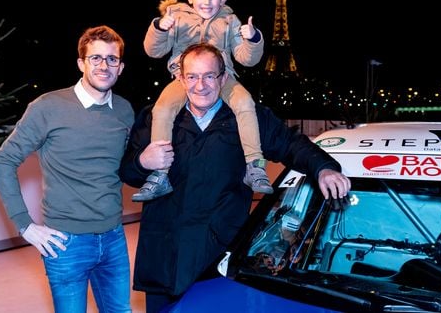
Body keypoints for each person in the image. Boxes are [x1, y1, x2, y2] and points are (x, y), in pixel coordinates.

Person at [119, 43, 351, 312]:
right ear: (180, 78)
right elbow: (128, 173)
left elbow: (290, 144)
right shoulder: (154, 118)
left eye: (209, 76)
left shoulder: (248, 119)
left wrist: (323, 167)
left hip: (217, 256)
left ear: (224, 77)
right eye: (192, 76)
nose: (200, 85)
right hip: (165, 257)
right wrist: (142, 162)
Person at [0, 25, 134, 313]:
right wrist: (25, 225)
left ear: (120, 67)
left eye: (111, 59)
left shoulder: (124, 110)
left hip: (114, 237)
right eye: (95, 58)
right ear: (81, 63)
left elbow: (120, 168)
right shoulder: (48, 107)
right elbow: (3, 161)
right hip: (66, 243)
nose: (104, 65)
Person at [131, 0, 269, 203]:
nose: (207, 1)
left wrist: (253, 38)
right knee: (162, 109)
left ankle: (254, 167)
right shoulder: (176, 18)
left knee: (245, 102)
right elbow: (153, 51)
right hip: (184, 78)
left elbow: (246, 58)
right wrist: (159, 28)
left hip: (220, 78)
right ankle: (159, 174)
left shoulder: (230, 22)